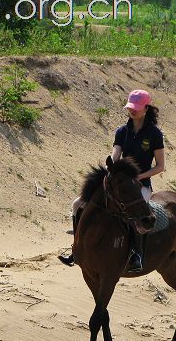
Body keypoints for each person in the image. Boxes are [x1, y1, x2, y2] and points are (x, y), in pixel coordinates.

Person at [58, 89, 165, 272]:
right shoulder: (122, 131)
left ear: (146, 108)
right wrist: (111, 167)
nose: (132, 111)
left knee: (139, 212)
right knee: (78, 204)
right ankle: (77, 248)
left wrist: (138, 177)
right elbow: (116, 153)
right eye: (130, 107)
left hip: (140, 184)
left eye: (137, 108)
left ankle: (136, 254)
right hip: (119, 182)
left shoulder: (154, 134)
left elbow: (160, 166)